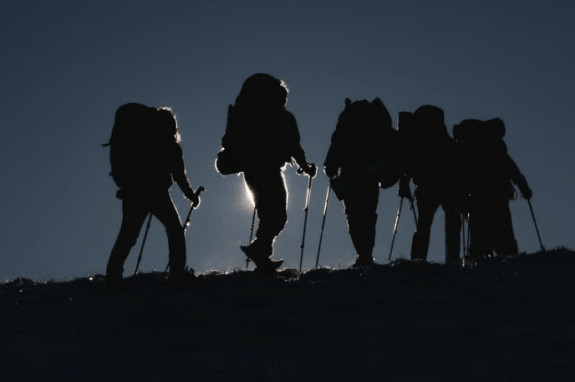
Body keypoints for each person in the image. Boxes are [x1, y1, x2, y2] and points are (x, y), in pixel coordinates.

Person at [215, 73, 316, 270]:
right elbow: (294, 146)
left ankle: (261, 252)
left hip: (252, 170)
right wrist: (305, 166)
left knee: (269, 213)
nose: (284, 100)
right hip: (268, 170)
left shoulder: (251, 116)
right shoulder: (283, 118)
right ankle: (260, 250)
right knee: (277, 215)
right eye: (282, 96)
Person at [105, 104, 201, 286]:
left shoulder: (142, 143)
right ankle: (177, 273)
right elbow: (179, 177)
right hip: (157, 195)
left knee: (128, 235)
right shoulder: (172, 147)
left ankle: (113, 276)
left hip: (134, 193)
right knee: (175, 231)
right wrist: (191, 195)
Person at [323, 98, 400, 267]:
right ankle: (366, 254)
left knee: (354, 217)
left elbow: (335, 150)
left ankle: (362, 254)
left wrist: (330, 167)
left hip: (349, 177)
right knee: (368, 216)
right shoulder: (374, 128)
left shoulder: (345, 127)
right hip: (370, 177)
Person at [453, 118, 531, 259]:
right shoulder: (497, 150)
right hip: (498, 199)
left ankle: (479, 266)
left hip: (476, 201)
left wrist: (462, 201)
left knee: (480, 242)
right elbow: (514, 171)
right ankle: (510, 265)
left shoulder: (472, 152)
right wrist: (524, 189)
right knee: (505, 240)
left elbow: (462, 177)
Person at [397, 105, 464, 263]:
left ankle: (418, 260)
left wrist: (404, 182)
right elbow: (459, 165)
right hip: (449, 187)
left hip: (427, 187)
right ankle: (453, 260)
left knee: (424, 225)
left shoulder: (421, 144)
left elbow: (411, 165)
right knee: (452, 223)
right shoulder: (448, 143)